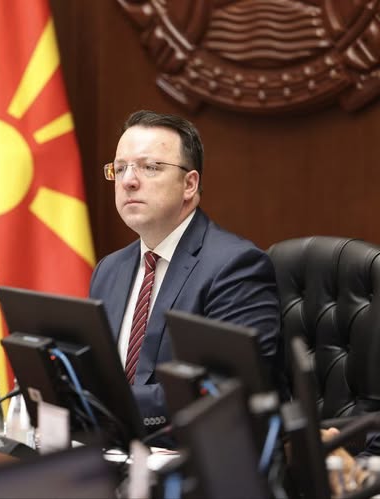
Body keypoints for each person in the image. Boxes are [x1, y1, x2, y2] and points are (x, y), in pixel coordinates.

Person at [89, 110, 284, 438]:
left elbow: (224, 390)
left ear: (189, 184)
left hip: (198, 458)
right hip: (113, 451)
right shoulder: (109, 270)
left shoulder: (236, 266)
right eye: (120, 168)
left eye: (150, 167)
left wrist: (105, 404)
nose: (128, 181)